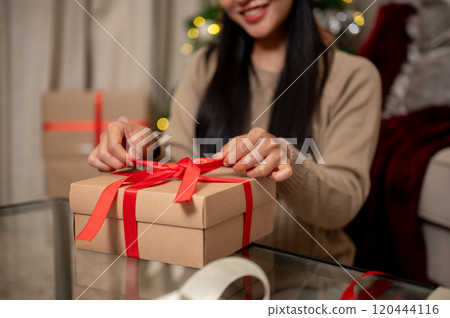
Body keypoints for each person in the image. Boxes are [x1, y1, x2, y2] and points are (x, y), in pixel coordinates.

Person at [87, 0, 381, 265]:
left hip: (311, 283)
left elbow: (343, 205)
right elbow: (181, 159)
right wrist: (146, 148)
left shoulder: (354, 77)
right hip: (215, 279)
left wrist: (287, 159)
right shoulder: (205, 66)